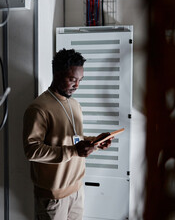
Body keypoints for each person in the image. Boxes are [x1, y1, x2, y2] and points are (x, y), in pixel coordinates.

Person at [23, 48, 113, 220]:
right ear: (57, 74)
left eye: (80, 80)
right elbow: (31, 150)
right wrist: (73, 151)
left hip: (77, 190)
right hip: (53, 198)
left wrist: (95, 142)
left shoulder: (75, 104)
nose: (77, 85)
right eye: (72, 79)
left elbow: (73, 139)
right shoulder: (39, 108)